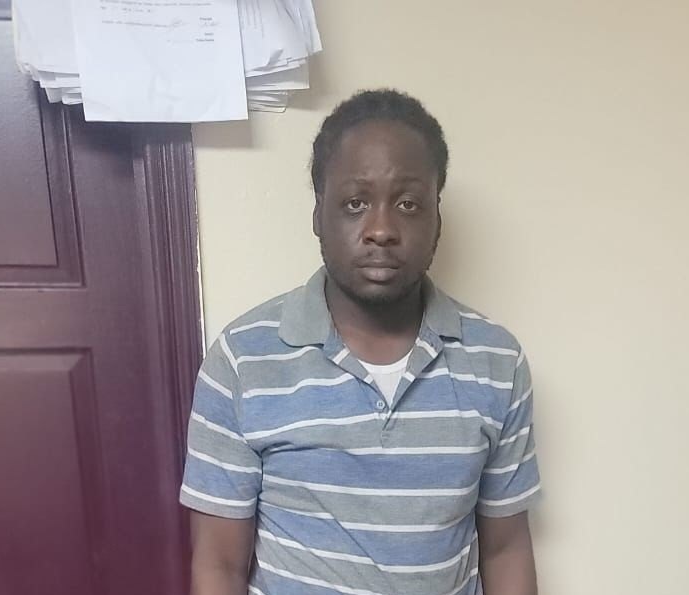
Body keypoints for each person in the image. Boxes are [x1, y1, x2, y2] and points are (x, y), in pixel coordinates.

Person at [180, 89, 542, 595]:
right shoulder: (243, 360)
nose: (381, 229)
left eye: (408, 204)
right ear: (318, 214)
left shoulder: (496, 361)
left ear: (437, 218)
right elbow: (218, 564)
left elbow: (506, 550)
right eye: (355, 203)